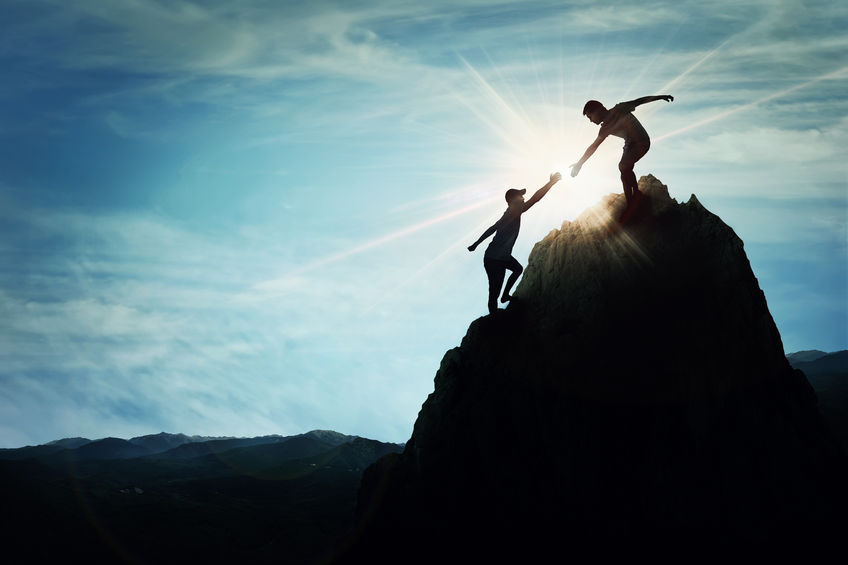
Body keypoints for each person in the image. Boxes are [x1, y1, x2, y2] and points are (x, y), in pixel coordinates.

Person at [468, 172, 562, 315]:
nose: (524, 198)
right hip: (494, 258)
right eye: (520, 196)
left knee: (517, 269)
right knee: (494, 290)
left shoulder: (512, 211)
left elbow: (493, 227)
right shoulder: (512, 212)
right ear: (512, 201)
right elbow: (535, 199)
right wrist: (476, 243)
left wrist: (476, 243)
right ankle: (493, 318)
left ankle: (505, 296)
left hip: (502, 256)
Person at [570, 95, 673, 208]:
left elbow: (639, 101)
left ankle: (637, 194)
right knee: (623, 174)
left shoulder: (620, 109)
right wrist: (579, 164)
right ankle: (631, 203)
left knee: (623, 166)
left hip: (642, 141)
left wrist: (662, 97)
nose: (591, 121)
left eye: (590, 116)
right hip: (629, 146)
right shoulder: (605, 128)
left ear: (599, 110)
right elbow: (594, 146)